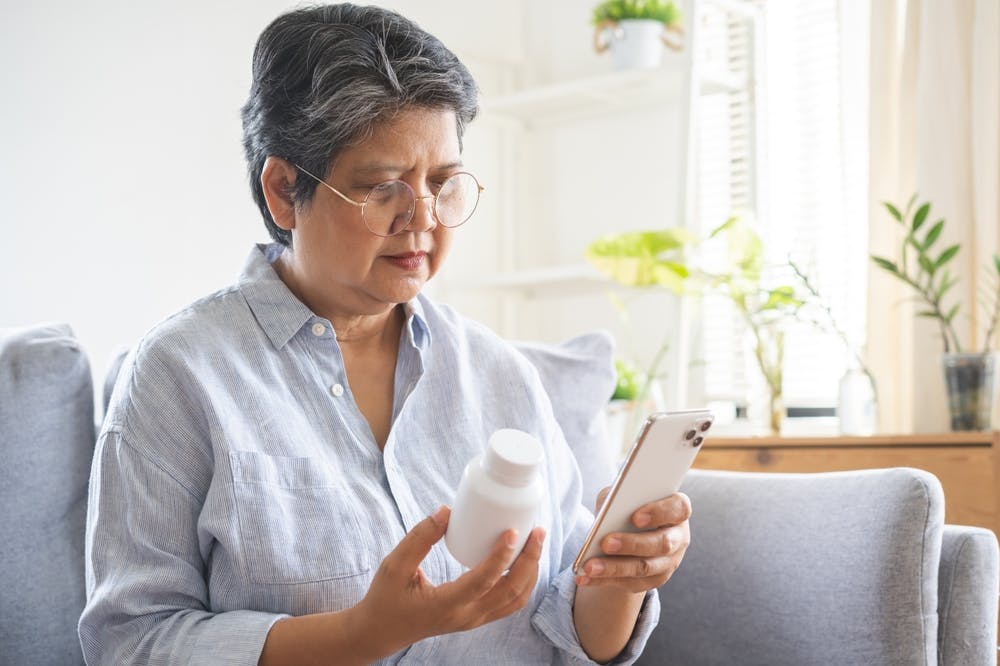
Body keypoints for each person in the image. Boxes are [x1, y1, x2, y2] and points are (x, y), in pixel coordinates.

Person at [79, 4, 692, 664]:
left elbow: (577, 634)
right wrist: (361, 634)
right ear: (285, 190)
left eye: (443, 182)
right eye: (382, 188)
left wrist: (624, 574)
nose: (423, 219)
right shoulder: (179, 375)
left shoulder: (497, 373)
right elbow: (130, 641)